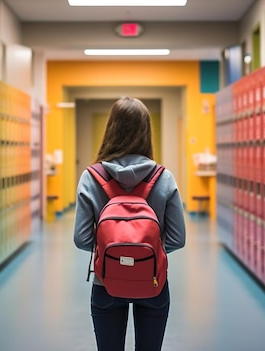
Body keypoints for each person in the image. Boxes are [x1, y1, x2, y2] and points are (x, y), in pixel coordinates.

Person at [73, 97, 186, 351]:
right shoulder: (164, 177)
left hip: (106, 282)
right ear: (146, 131)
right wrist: (144, 254)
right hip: (153, 282)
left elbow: (81, 239)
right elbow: (178, 239)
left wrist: (114, 251)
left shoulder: (91, 177)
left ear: (111, 129)